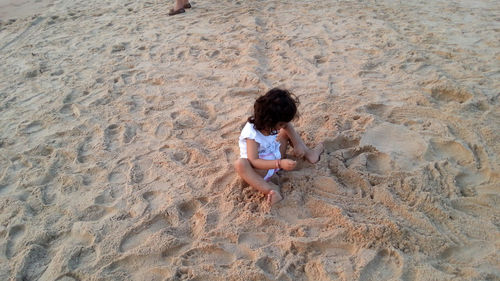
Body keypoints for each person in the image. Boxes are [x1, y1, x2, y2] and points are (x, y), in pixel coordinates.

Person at [234, 88, 324, 206]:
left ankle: (310, 154)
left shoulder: (271, 124)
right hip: (261, 169)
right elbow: (254, 161)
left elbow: (287, 126)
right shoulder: (252, 134)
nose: (284, 125)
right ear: (269, 121)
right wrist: (279, 164)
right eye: (281, 124)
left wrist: (297, 144)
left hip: (275, 154)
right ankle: (270, 190)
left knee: (285, 132)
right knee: (240, 164)